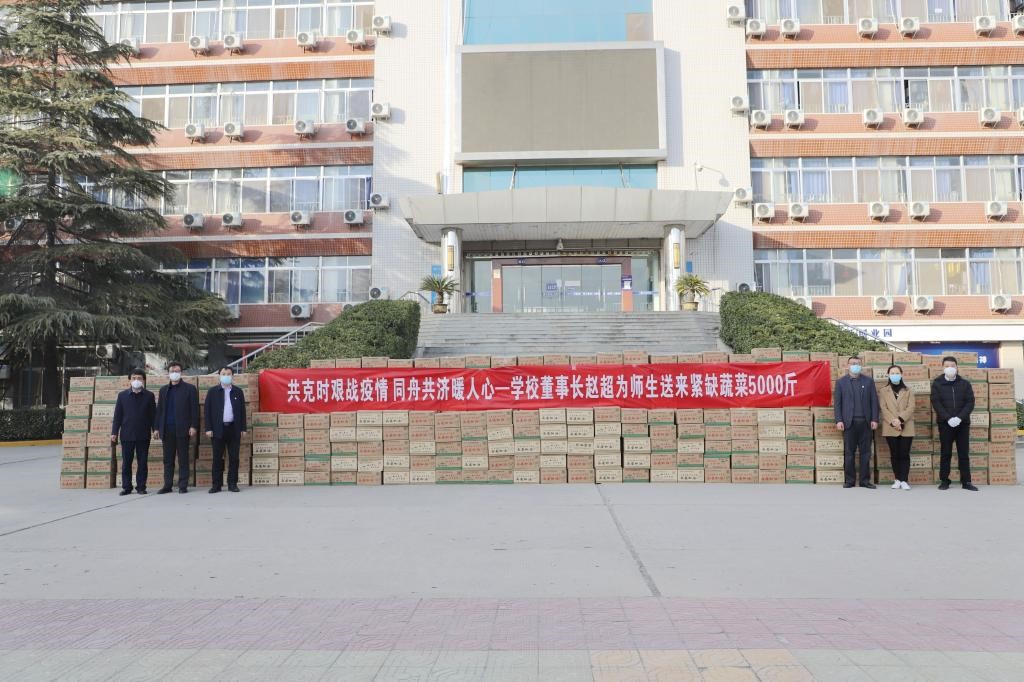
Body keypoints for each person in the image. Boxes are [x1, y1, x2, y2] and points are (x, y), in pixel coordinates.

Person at [931, 356, 978, 492]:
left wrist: (959, 418)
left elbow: (970, 402)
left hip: (962, 424)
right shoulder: (937, 383)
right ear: (943, 367)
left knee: (963, 453)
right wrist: (948, 418)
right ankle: (944, 480)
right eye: (947, 366)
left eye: (952, 365)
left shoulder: (965, 383)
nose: (950, 368)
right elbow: (936, 402)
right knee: (946, 453)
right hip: (945, 424)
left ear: (957, 367)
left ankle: (966, 481)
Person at [153, 362, 200, 494]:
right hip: (166, 429)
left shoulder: (190, 389)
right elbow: (159, 410)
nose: (174, 373)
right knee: (168, 459)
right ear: (168, 373)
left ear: (181, 373)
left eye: (177, 371)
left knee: (183, 458)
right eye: (172, 371)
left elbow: (194, 409)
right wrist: (156, 428)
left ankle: (183, 485)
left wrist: (194, 426)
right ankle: (167, 485)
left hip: (183, 429)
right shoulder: (164, 390)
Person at [834, 356, 879, 489]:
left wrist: (875, 419)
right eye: (853, 363)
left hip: (866, 422)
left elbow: (874, 401)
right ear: (848, 365)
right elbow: (837, 404)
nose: (855, 366)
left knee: (866, 453)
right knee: (849, 453)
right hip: (849, 423)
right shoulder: (841, 382)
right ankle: (850, 480)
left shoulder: (869, 381)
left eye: (858, 363)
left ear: (861, 365)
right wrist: (839, 420)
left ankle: (865, 481)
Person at [111, 369, 156, 495]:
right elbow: (117, 416)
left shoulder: (149, 396)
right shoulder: (122, 396)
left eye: (139, 378)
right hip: (127, 434)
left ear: (144, 380)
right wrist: (114, 432)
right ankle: (127, 487)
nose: (137, 380)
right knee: (126, 462)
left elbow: (153, 415)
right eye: (134, 378)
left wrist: (155, 430)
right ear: (130, 380)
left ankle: (141, 486)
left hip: (143, 434)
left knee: (142, 462)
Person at [204, 366, 248, 493]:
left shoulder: (238, 391)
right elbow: (207, 411)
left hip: (234, 428)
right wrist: (208, 428)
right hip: (217, 429)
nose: (226, 376)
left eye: (228, 374)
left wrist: (243, 428)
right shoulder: (212, 391)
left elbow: (242, 411)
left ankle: (232, 484)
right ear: (219, 376)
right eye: (223, 374)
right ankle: (216, 485)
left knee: (234, 458)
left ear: (232, 376)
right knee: (217, 458)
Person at [879, 364, 914, 491]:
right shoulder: (884, 391)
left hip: (906, 426)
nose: (895, 375)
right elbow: (883, 408)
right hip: (890, 427)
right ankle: (897, 479)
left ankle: (904, 480)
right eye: (892, 373)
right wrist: (893, 421)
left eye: (897, 373)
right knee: (894, 454)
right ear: (888, 375)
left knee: (904, 454)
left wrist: (900, 420)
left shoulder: (908, 390)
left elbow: (911, 407)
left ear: (901, 374)